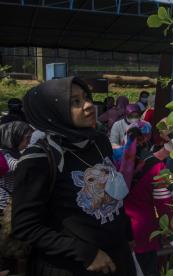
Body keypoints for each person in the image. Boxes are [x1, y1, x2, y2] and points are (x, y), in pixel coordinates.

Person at [11, 77, 136, 275]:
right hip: (73, 267)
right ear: (52, 112)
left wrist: (126, 234)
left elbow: (113, 196)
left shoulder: (98, 142)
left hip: (118, 258)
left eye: (86, 97)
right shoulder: (39, 159)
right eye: (75, 102)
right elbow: (25, 227)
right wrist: (85, 253)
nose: (88, 106)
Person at [113, 121, 172, 276]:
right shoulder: (156, 167)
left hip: (117, 230)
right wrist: (167, 229)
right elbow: (164, 203)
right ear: (147, 138)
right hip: (144, 233)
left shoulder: (113, 160)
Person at [0, 122, 33, 213]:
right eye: (27, 138)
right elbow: (18, 165)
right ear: (15, 137)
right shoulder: (3, 154)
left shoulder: (15, 152)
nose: (29, 142)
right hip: (3, 202)